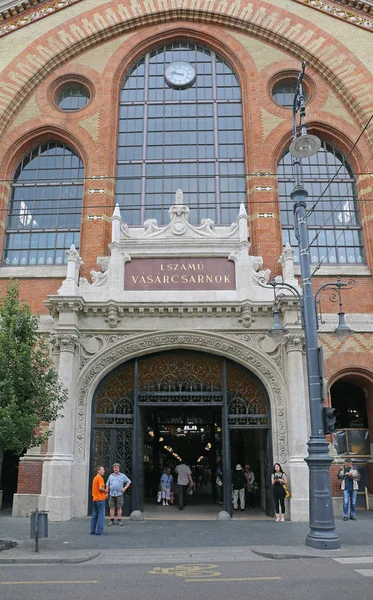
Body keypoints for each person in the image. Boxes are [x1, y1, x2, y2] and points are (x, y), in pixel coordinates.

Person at [90, 465, 107, 535]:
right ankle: (99, 531)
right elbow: (100, 488)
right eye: (102, 470)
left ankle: (92, 530)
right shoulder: (100, 478)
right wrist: (105, 491)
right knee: (101, 516)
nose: (104, 471)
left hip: (95, 499)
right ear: (98, 471)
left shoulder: (95, 478)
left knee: (94, 515)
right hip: (100, 499)